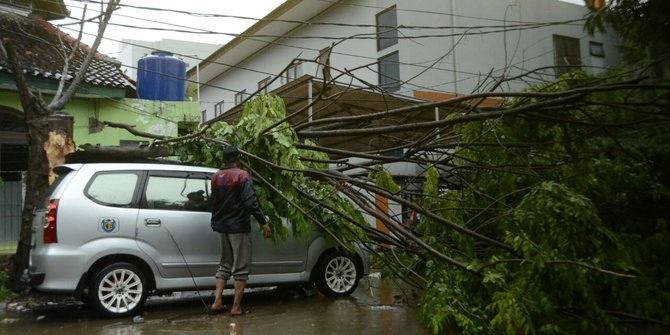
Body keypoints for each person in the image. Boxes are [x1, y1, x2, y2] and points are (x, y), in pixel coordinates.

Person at [210, 145, 271, 316]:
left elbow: (213, 202)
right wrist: (263, 222)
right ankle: (236, 308)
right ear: (237, 158)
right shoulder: (241, 175)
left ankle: (217, 302)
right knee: (241, 267)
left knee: (224, 264)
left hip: (221, 227)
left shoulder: (216, 177)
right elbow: (250, 202)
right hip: (238, 227)